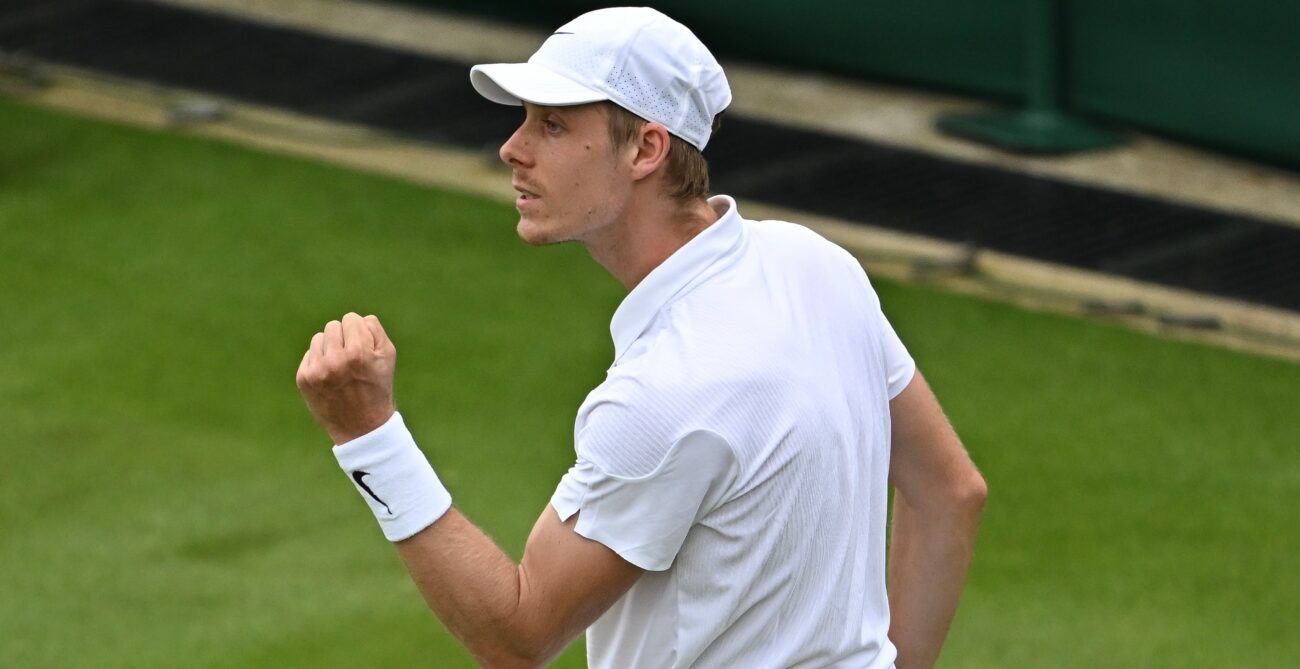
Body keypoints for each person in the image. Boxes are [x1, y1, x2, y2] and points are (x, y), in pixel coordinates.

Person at [295, 7, 986, 669]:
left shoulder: (662, 395)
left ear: (647, 149)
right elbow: (952, 491)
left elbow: (517, 634)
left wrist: (369, 435)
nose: (513, 147)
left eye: (554, 126)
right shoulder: (818, 266)